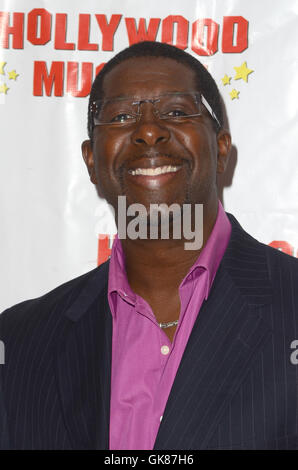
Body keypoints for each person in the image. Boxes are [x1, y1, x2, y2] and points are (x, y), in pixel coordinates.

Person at [0, 41, 298, 450]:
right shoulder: (20, 343)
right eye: (121, 116)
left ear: (222, 149)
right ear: (91, 162)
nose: (148, 130)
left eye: (176, 112)